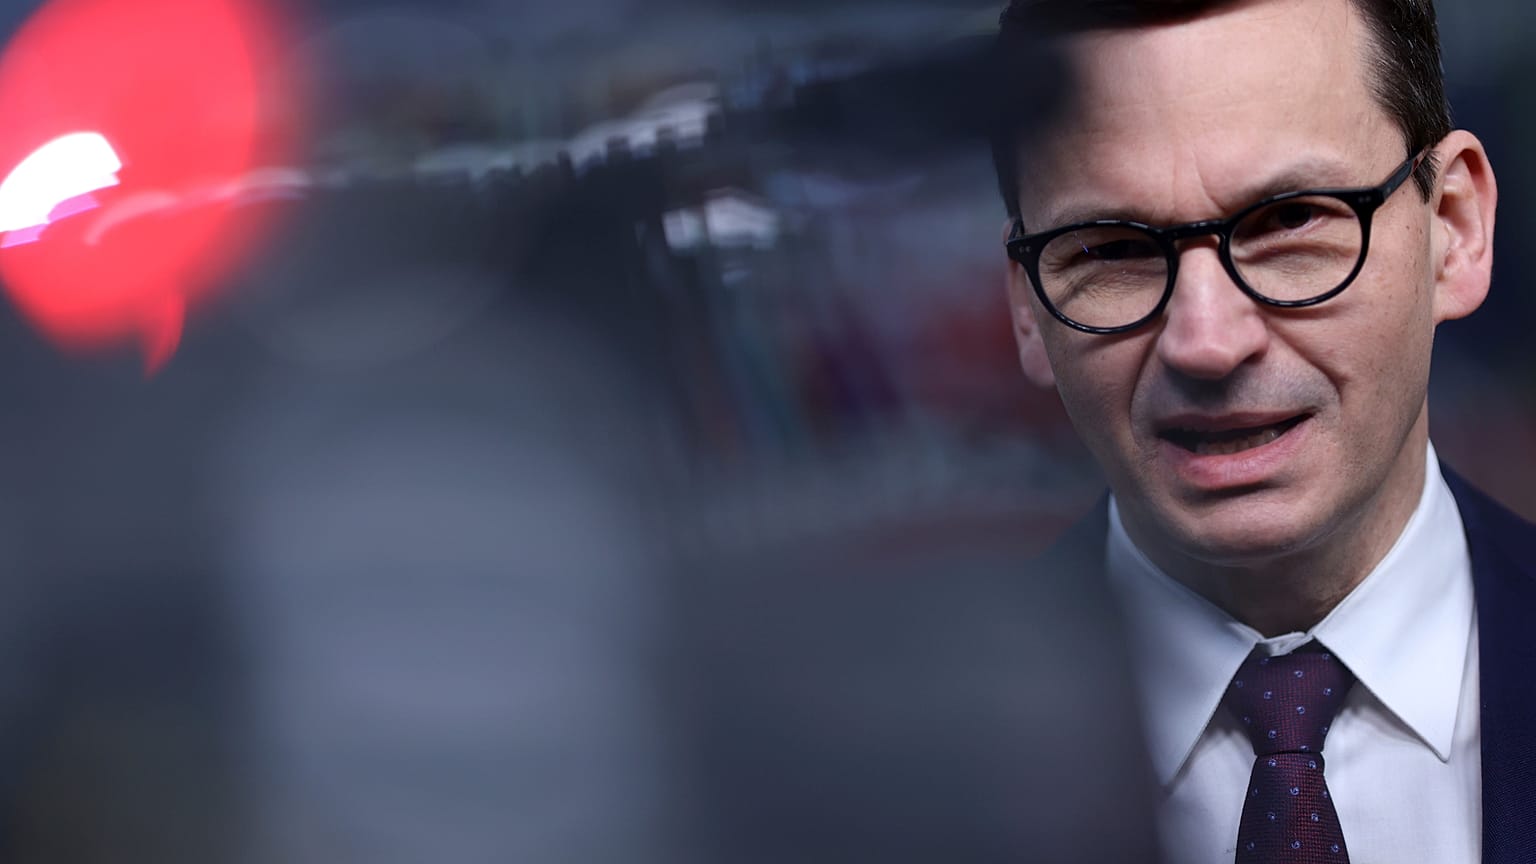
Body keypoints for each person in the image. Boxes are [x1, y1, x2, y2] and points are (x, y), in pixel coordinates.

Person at [991, 0, 1536, 862]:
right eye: (1110, 251)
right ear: (1027, 309)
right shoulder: (863, 785)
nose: (1206, 342)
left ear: (1455, 229)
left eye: (1289, 220)